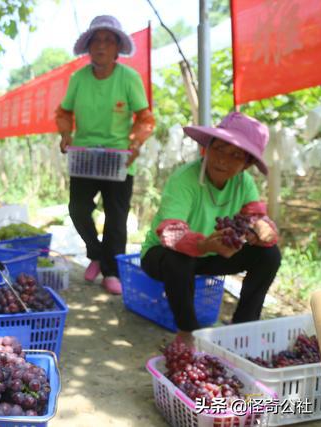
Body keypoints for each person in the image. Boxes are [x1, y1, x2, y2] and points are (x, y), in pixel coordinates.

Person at [140, 112, 282, 347]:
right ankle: (187, 331)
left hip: (211, 255)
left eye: (235, 155)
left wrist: (264, 231)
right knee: (179, 259)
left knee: (270, 255)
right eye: (219, 149)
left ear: (247, 164)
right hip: (164, 257)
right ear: (207, 148)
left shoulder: (244, 183)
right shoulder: (185, 179)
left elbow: (256, 216)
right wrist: (203, 244)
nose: (223, 160)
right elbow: (170, 232)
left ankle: (244, 328)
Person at [55, 15, 155, 294]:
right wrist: (66, 134)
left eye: (108, 41)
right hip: (84, 156)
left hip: (118, 159)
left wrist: (134, 144)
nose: (101, 46)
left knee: (116, 217)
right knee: (77, 209)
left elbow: (145, 118)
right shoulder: (78, 79)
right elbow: (63, 113)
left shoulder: (129, 78)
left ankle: (112, 273)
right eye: (96, 41)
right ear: (88, 47)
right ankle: (96, 254)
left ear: (117, 48)